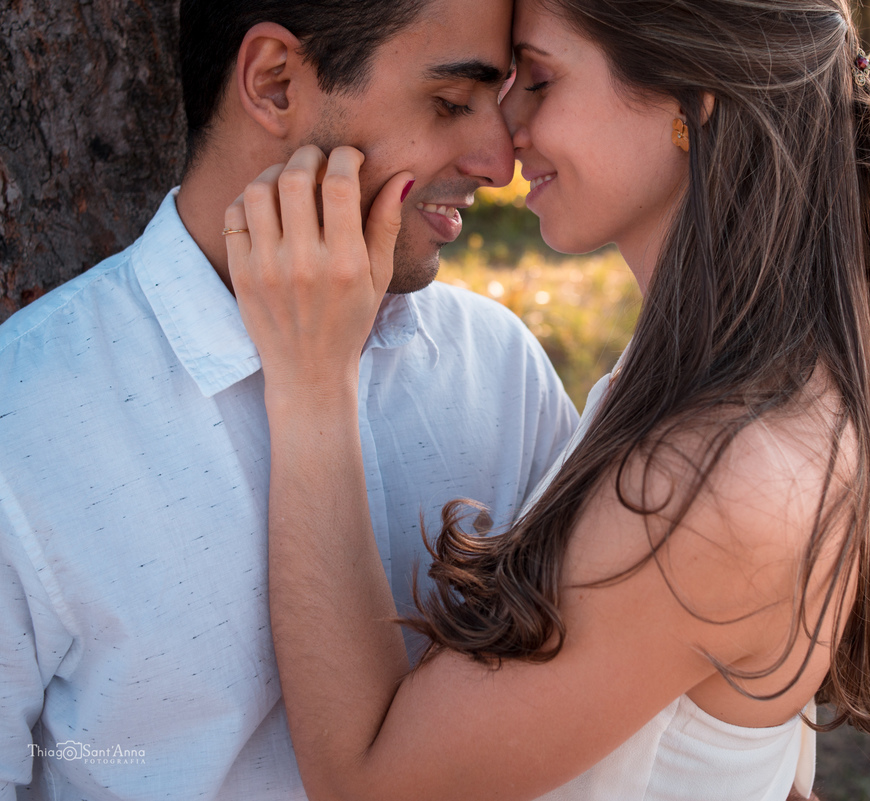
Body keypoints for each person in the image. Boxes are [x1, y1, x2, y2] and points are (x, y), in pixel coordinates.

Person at [226, 0, 870, 798]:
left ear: (692, 100)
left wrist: (314, 379)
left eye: (538, 79)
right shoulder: (740, 377)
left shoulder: (713, 481)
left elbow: (371, 782)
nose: (504, 137)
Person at [0, 1, 578, 798]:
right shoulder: (24, 425)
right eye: (448, 103)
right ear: (274, 84)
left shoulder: (500, 369)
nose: (497, 160)